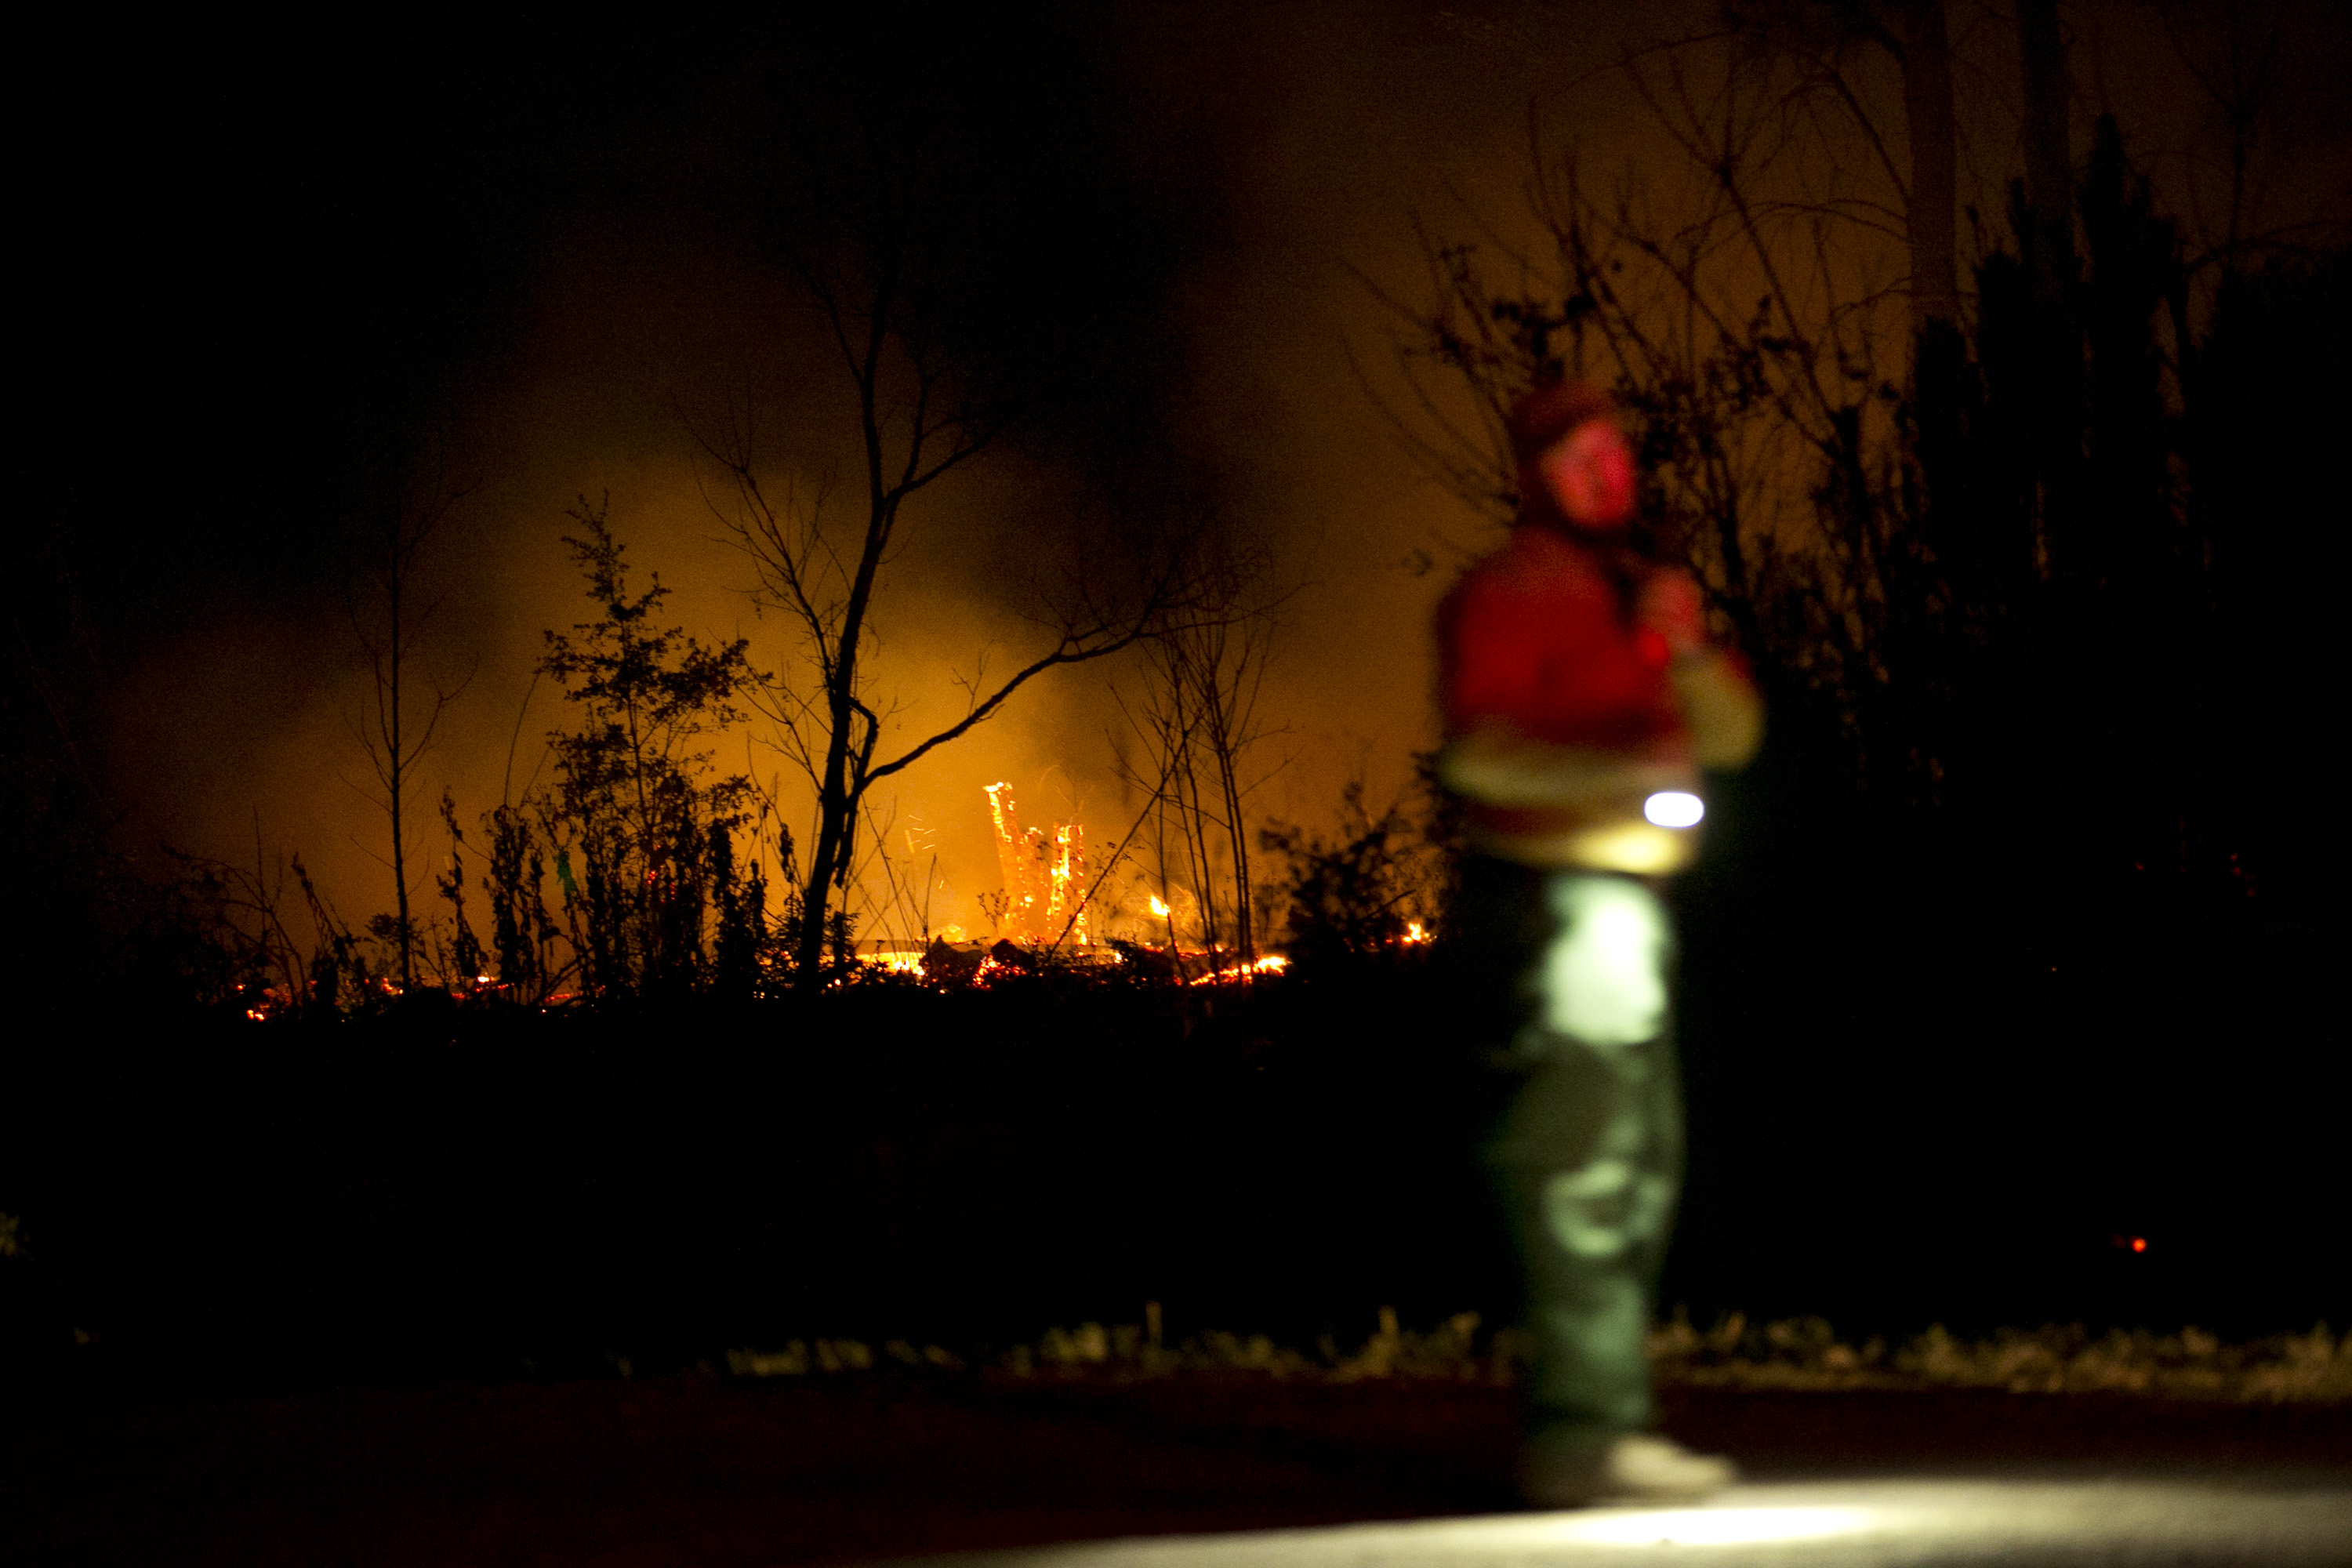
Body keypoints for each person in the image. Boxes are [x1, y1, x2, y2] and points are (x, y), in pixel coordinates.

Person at [1435, 379, 1761, 1507]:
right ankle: (1582, 1435)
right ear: (1536, 474)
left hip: (1636, 912)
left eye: (1617, 453)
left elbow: (1736, 736)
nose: (1609, 473)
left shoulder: (1643, 593)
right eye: (1581, 457)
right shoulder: (1509, 592)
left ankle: (1606, 1424)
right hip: (1564, 904)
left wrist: (1691, 654)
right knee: (1587, 1162)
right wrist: (1621, 783)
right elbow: (1477, 755)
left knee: (1643, 1162)